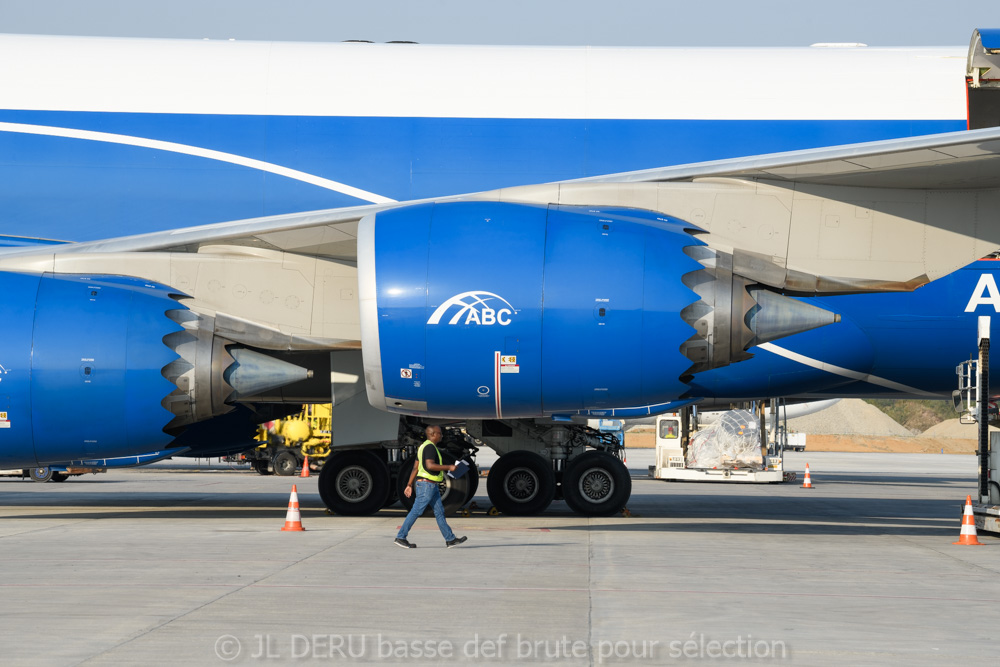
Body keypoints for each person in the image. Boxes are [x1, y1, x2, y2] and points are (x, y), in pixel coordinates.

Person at [394, 425, 468, 549]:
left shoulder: (423, 447)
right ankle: (401, 537)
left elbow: (415, 468)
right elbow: (430, 466)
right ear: (433, 434)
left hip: (430, 485)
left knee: (439, 512)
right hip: (426, 485)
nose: (442, 435)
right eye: (439, 433)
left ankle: (450, 539)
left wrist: (409, 485)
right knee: (416, 511)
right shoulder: (430, 448)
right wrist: (449, 467)